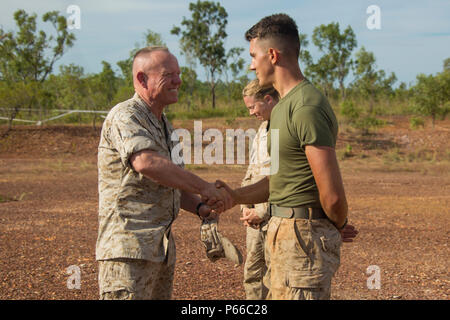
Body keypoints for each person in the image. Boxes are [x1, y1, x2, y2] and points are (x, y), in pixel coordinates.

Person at [215, 14, 358, 300]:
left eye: (254, 56)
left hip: (303, 241)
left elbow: (331, 195)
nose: (251, 64)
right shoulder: (281, 109)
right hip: (283, 236)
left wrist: (336, 225)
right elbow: (280, 179)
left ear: (272, 55)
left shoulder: (306, 106)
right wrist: (235, 196)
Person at [96, 46, 231, 300]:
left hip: (160, 250)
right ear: (141, 78)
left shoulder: (165, 125)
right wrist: (203, 186)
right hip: (128, 250)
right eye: (169, 74)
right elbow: (146, 162)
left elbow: (173, 185)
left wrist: (202, 206)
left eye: (179, 74)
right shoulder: (125, 115)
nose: (178, 81)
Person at [240, 79, 279, 299]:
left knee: (276, 277)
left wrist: (262, 212)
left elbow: (285, 180)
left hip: (275, 218)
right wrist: (245, 207)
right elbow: (251, 171)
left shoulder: (286, 128)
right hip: (254, 220)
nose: (251, 112)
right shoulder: (262, 130)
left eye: (252, 107)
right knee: (253, 274)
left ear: (268, 99)